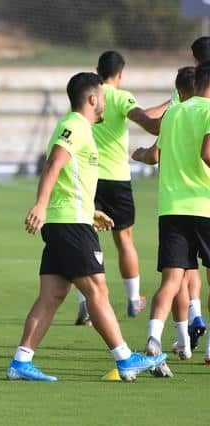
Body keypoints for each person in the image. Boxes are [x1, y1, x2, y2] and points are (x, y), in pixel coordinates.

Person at [7, 72, 167, 382]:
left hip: (70, 218)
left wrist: (90, 212)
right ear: (92, 98)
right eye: (103, 98)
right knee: (97, 290)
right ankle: (124, 358)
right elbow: (54, 163)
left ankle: (21, 362)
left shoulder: (80, 127)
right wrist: (40, 203)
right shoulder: (75, 126)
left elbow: (70, 178)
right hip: (67, 224)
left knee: (52, 295)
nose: (105, 103)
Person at [73, 51, 162, 325]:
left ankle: (86, 304)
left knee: (85, 239)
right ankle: (134, 300)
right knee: (124, 240)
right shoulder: (122, 97)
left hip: (88, 176)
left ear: (97, 69)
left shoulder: (87, 96)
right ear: (120, 74)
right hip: (117, 178)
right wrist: (175, 104)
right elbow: (149, 123)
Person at [131, 63, 210, 368]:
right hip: (204, 206)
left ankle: (153, 337)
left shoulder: (174, 112)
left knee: (171, 279)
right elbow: (207, 152)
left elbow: (156, 154)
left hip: (172, 208)